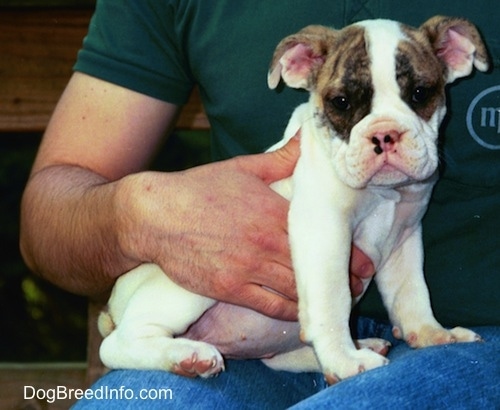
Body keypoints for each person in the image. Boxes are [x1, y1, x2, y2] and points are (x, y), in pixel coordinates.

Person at [20, 0, 499, 408]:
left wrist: (415, 326)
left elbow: (401, 235)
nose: (384, 135)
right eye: (345, 104)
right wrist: (143, 214)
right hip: (241, 326)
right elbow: (48, 211)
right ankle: (137, 338)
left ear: (453, 57)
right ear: (298, 67)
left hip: (469, 333)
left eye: (417, 96)